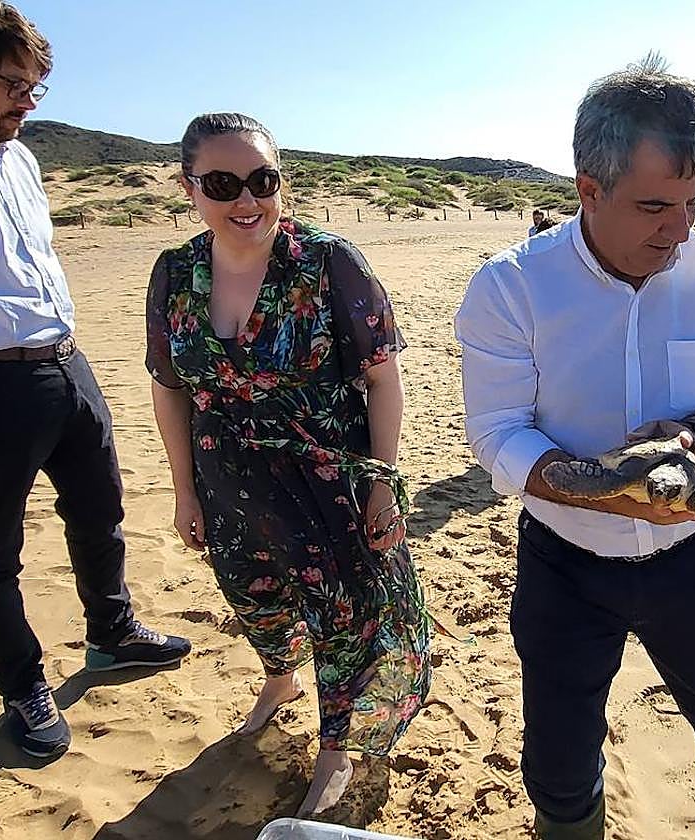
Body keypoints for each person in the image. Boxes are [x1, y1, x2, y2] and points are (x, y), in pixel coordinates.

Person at [455, 56, 695, 840]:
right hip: (565, 566)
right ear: (588, 189)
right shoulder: (510, 288)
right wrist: (600, 486)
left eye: (693, 204)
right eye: (653, 206)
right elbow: (497, 434)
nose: (679, 232)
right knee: (561, 769)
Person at [0, 0, 190, 760]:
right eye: (14, 85)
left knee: (101, 512)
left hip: (66, 366)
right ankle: (22, 684)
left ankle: (112, 632)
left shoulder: (23, 160)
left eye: (38, 89)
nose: (29, 103)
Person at [146, 113, 431, 816]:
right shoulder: (175, 272)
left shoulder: (329, 261)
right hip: (227, 477)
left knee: (347, 614)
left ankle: (337, 745)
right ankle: (280, 679)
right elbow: (168, 385)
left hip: (328, 476)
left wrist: (382, 484)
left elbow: (383, 378)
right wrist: (185, 490)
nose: (246, 199)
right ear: (191, 189)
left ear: (282, 182)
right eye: (222, 183)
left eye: (262, 180)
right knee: (257, 599)